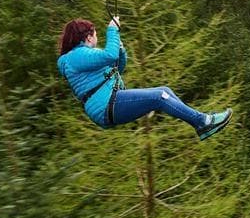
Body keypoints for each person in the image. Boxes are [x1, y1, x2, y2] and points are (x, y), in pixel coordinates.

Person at [57, 17, 231, 140]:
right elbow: (110, 55)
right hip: (106, 105)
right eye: (95, 34)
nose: (97, 37)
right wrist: (112, 30)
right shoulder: (76, 57)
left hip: (109, 102)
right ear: (88, 37)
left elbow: (117, 69)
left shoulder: (84, 56)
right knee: (159, 97)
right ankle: (203, 122)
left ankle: (201, 123)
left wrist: (121, 51)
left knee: (165, 91)